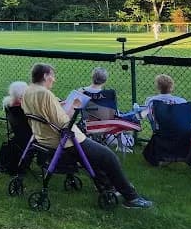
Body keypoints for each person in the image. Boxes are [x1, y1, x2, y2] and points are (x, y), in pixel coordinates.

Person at [20, 63, 153, 209]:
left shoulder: (28, 91)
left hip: (44, 137)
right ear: (45, 76)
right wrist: (74, 107)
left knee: (95, 158)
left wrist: (62, 104)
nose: (54, 79)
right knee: (109, 157)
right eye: (52, 75)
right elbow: (64, 122)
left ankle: (109, 187)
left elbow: (46, 112)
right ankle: (131, 198)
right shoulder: (45, 94)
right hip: (66, 140)